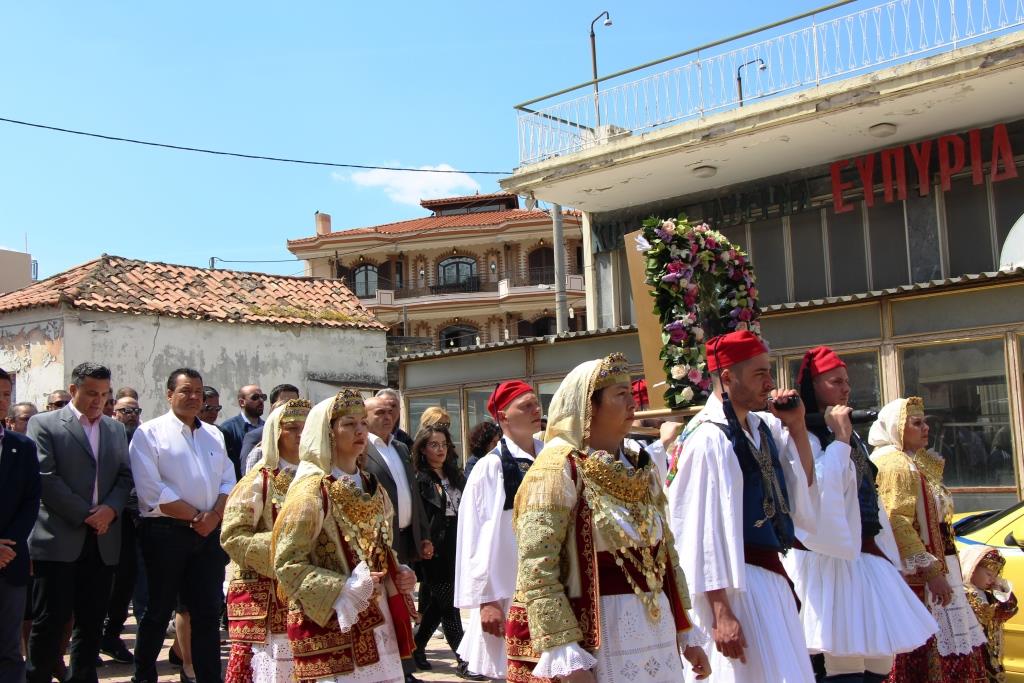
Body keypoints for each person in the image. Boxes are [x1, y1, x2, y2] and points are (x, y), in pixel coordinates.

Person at [508, 353, 710, 682]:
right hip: (599, 633)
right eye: (620, 394)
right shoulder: (557, 469)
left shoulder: (639, 466)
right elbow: (538, 568)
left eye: (631, 393)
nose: (633, 402)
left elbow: (666, 553)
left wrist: (686, 632)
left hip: (655, 629)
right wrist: (567, 657)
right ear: (590, 406)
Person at [666, 330, 819, 683]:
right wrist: (721, 611)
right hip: (735, 587)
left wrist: (797, 425)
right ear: (727, 377)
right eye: (759, 374)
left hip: (768, 582)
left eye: (769, 372)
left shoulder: (761, 427)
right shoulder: (709, 437)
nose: (770, 383)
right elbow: (698, 529)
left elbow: (801, 489)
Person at [784, 347, 937, 682]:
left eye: (847, 381)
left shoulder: (847, 432)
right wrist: (839, 439)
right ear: (813, 386)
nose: (845, 388)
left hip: (864, 556)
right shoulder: (804, 435)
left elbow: (870, 500)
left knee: (879, 662)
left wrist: (889, 556)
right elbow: (819, 494)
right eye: (835, 381)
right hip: (828, 558)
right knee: (843, 661)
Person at [271, 390, 419, 683]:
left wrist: (400, 572)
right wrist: (344, 588)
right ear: (327, 433)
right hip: (333, 621)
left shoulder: (373, 486)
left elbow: (383, 548)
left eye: (363, 423)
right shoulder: (311, 492)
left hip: (378, 619)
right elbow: (287, 564)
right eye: (349, 424)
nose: (360, 431)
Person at [26, 362, 133, 683]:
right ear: (73, 390)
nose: (98, 401)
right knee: (50, 621)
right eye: (91, 393)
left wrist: (110, 510)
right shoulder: (44, 424)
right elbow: (45, 478)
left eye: (104, 394)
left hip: (103, 540)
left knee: (91, 621)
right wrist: (88, 515)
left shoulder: (114, 429)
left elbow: (125, 476)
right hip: (58, 539)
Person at [130, 368, 236, 683]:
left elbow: (228, 481)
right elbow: (152, 491)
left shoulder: (213, 434)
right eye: (186, 391)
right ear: (169, 394)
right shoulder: (149, 433)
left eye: (198, 392)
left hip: (208, 535)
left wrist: (213, 516)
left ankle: (208, 677)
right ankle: (144, 676)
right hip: (165, 534)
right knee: (158, 611)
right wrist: (195, 517)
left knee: (207, 612)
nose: (193, 397)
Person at [870, 397, 987, 682]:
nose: (926, 428)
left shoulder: (911, 461)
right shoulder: (895, 464)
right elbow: (897, 520)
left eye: (925, 422)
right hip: (919, 574)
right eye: (917, 423)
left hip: (941, 564)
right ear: (897, 427)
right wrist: (932, 571)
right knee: (921, 651)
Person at [454, 380, 544, 680]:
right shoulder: (491, 467)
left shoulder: (551, 456)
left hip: (550, 581)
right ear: (503, 416)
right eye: (526, 406)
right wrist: (486, 599)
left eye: (536, 404)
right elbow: (475, 536)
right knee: (513, 667)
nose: (536, 410)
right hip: (508, 587)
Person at [221, 399, 311, 683]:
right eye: (292, 428)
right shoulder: (258, 480)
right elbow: (233, 536)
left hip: (309, 590)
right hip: (266, 593)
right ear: (275, 433)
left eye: (306, 427)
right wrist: (288, 552)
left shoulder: (320, 478)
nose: (300, 434)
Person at [409, 426, 484, 680]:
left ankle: (416, 646)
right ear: (423, 449)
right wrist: (424, 541)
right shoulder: (420, 478)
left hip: (457, 542)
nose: (440, 450)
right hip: (434, 547)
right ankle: (464, 660)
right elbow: (420, 516)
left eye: (443, 444)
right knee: (450, 605)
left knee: (438, 604)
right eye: (434, 445)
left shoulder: (455, 474)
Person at [0, 368, 41, 683]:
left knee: (10, 648)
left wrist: (9, 546)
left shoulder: (22, 447)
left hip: (10, 560)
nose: (2, 401)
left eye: (5, 394)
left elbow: (30, 501)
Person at [99, 394, 146, 664]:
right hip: (107, 518)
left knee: (129, 580)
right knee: (105, 583)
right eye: (125, 410)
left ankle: (111, 635)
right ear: (113, 412)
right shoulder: (106, 437)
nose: (131, 415)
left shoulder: (144, 437)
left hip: (136, 521)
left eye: (135, 411)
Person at [362, 397, 432, 566]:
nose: (388, 417)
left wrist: (424, 534)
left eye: (389, 412)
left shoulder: (401, 448)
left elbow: (413, 493)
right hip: (381, 541)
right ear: (364, 418)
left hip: (408, 538)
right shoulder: (361, 450)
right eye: (380, 413)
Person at [960, 546, 1018, 682]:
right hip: (968, 652)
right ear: (972, 569)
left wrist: (1000, 589)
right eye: (989, 574)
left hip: (987, 653)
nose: (993, 579)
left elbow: (1008, 610)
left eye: (996, 575)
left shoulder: (989, 596)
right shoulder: (960, 594)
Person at [239, 384, 301, 472]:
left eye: (295, 404)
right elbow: (248, 477)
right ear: (273, 407)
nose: (291, 409)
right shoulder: (256, 442)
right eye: (285, 405)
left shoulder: (306, 440)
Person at [220, 385, 267, 479]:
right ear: (242, 402)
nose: (261, 401)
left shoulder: (267, 427)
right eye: (255, 397)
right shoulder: (228, 428)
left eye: (263, 397)